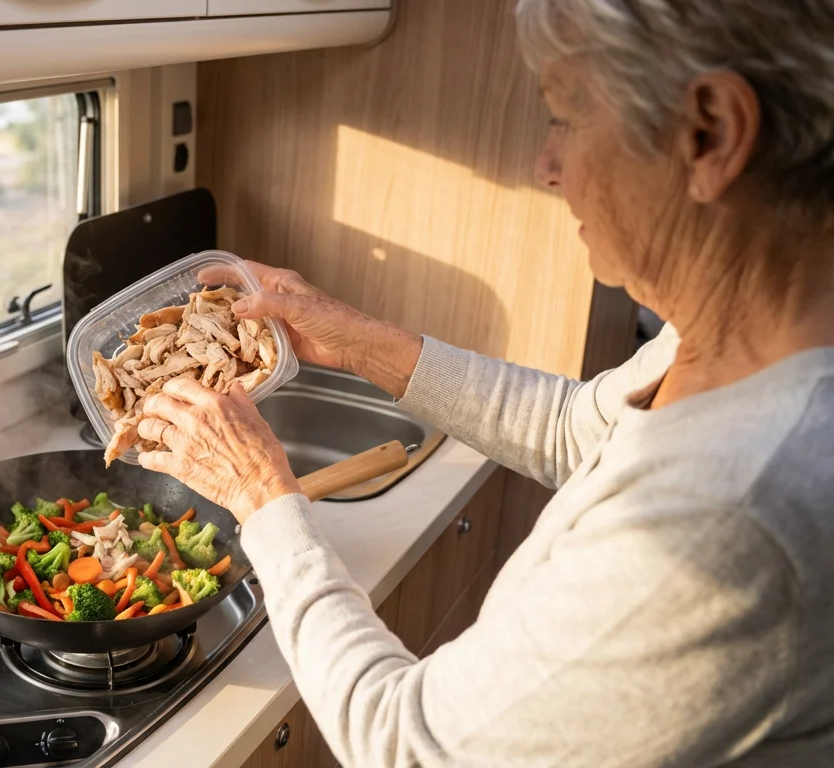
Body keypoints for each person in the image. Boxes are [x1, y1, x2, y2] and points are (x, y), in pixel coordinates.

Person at [135, 1, 834, 765]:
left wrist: (260, 497)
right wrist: (359, 338)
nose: (546, 166)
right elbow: (577, 429)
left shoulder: (725, 518)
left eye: (565, 116)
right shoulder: (734, 339)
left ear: (711, 133)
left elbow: (408, 743)